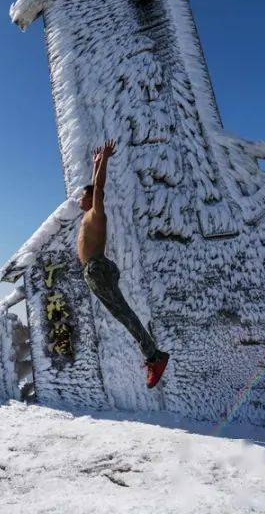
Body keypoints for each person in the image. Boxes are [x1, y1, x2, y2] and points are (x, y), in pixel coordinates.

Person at [77, 139, 170, 388]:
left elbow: (98, 188)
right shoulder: (87, 217)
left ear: (90, 199)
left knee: (125, 315)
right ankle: (153, 355)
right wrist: (95, 164)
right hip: (93, 270)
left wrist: (103, 161)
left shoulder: (96, 213)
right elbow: (94, 186)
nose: (79, 199)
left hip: (97, 268)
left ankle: (155, 357)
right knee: (122, 315)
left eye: (82, 196)